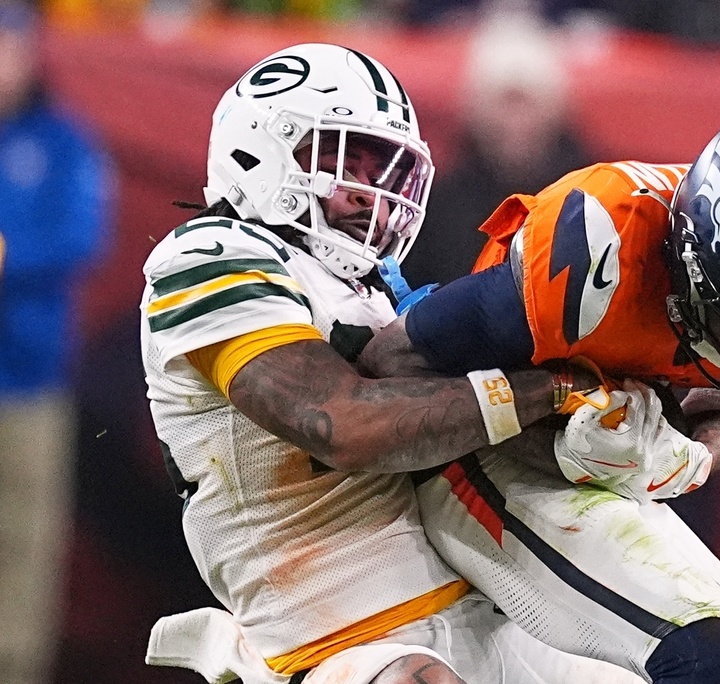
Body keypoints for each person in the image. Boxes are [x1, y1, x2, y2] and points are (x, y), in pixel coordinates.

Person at [140, 42, 640, 684]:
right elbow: (343, 425)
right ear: (258, 150)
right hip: (338, 639)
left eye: (383, 172)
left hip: (480, 608)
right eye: (341, 162)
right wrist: (550, 390)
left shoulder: (372, 287)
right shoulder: (210, 257)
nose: (368, 196)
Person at [359, 110, 720, 683]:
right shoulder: (598, 249)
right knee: (710, 659)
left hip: (603, 479)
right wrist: (558, 428)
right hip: (477, 460)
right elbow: (393, 365)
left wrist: (700, 453)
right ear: (690, 259)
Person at [0, 2, 114, 683]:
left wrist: (8, 258)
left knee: (22, 538)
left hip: (27, 378)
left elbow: (81, 236)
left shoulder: (63, 141)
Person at [399, 11, 595, 287]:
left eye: (526, 102)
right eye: (505, 103)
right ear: (477, 110)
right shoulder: (439, 207)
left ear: (554, 108)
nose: (515, 122)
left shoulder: (592, 198)